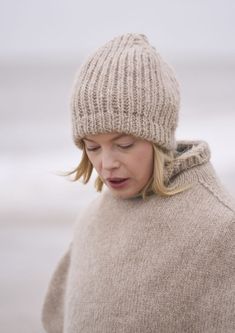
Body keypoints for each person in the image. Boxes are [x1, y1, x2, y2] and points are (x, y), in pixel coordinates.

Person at [41, 33, 235, 332]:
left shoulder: (221, 230)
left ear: (158, 140)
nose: (106, 164)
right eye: (92, 147)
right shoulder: (90, 219)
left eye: (125, 144)